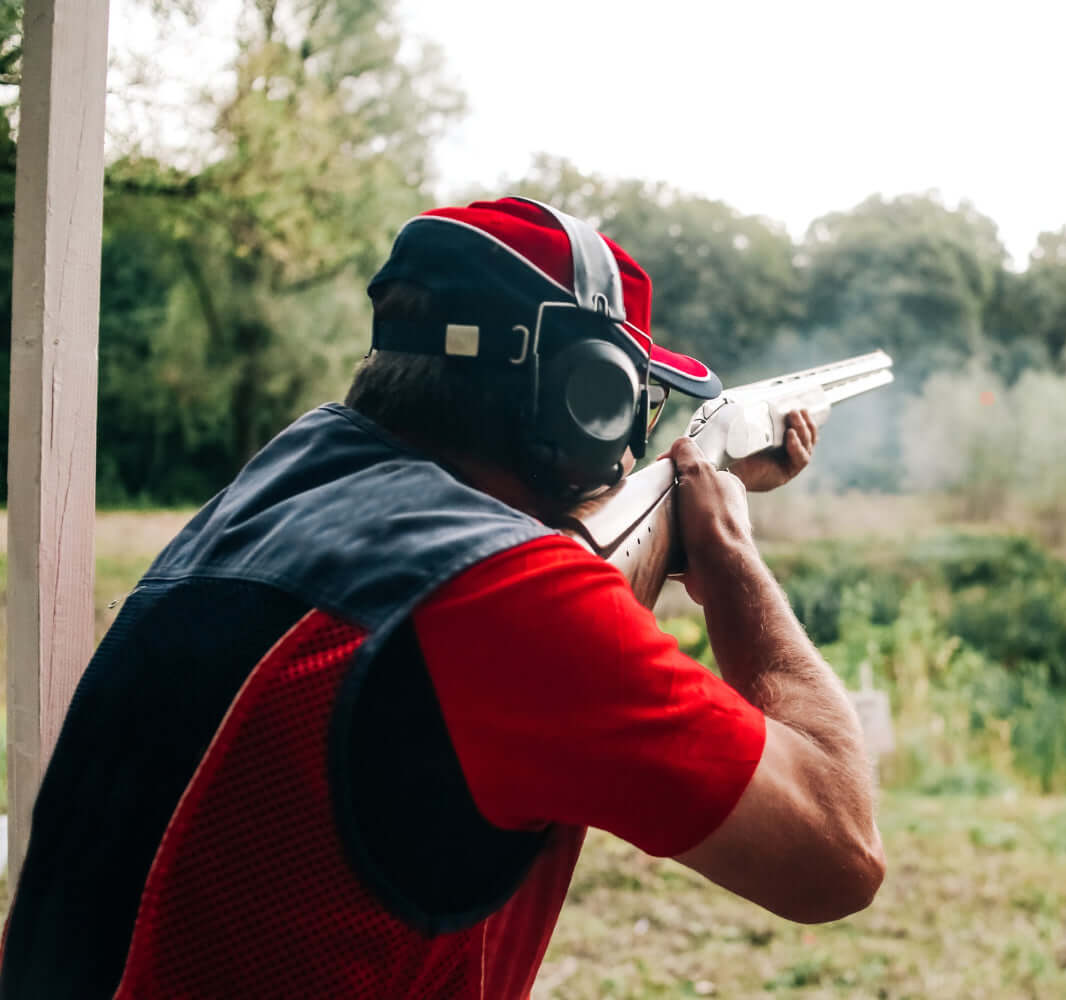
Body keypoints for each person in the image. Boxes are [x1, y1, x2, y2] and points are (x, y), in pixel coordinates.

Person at [0, 197, 884, 999]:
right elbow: (837, 852)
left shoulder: (251, 513)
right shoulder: (506, 595)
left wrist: (673, 512)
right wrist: (725, 551)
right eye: (634, 403)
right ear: (589, 403)